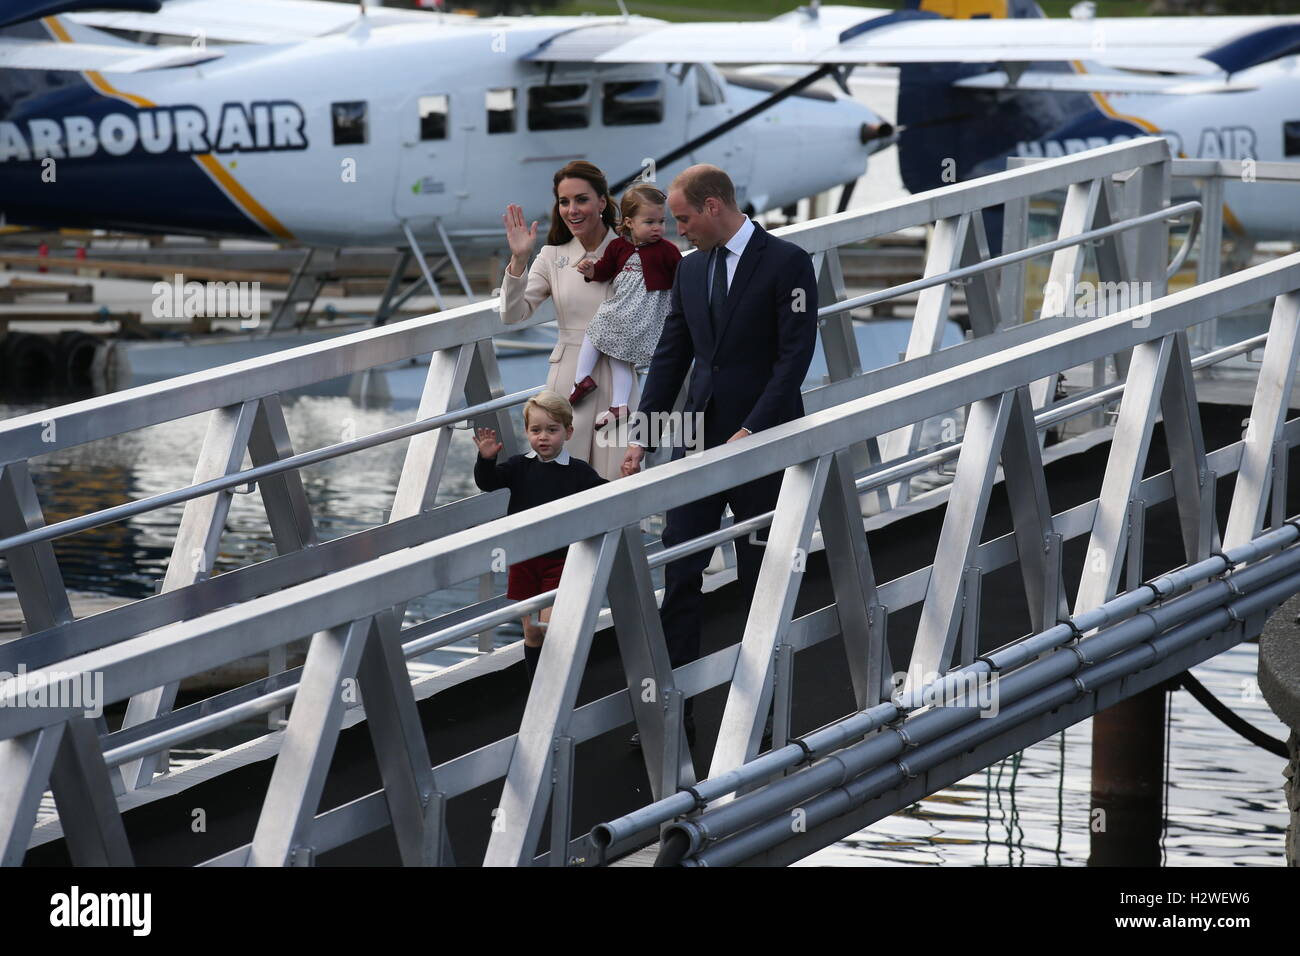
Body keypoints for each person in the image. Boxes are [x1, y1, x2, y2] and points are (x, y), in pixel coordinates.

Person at [622, 164, 818, 744]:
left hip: (763, 442)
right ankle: (670, 712)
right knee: (681, 570)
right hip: (697, 442)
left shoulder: (788, 262)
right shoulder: (690, 270)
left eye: (682, 218)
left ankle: (763, 711)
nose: (675, 230)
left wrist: (754, 429)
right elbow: (671, 356)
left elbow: (794, 359)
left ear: (713, 207)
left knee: (762, 578)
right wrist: (643, 434)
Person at [500, 160, 633, 481]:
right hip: (568, 384)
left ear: (602, 202)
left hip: (619, 384)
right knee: (562, 484)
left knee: (618, 482)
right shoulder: (550, 257)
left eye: (582, 199)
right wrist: (519, 260)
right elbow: (511, 314)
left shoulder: (631, 251)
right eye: (564, 201)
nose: (572, 209)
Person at [473, 391, 607, 685]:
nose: (543, 437)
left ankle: (557, 688)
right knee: (532, 632)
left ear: (568, 432)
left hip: (559, 561)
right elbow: (488, 482)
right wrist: (486, 460)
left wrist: (629, 478)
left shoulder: (579, 473)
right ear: (526, 432)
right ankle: (537, 688)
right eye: (536, 430)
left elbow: (606, 495)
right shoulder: (519, 466)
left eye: (552, 430)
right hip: (524, 560)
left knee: (549, 628)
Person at [572, 183, 682, 429]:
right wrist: (591, 271)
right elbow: (604, 270)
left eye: (661, 221)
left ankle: (581, 380)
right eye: (649, 222)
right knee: (617, 358)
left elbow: (681, 277)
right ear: (630, 222)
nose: (658, 228)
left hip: (641, 312)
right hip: (626, 310)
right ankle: (619, 405)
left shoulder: (667, 251)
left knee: (595, 329)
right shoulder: (618, 247)